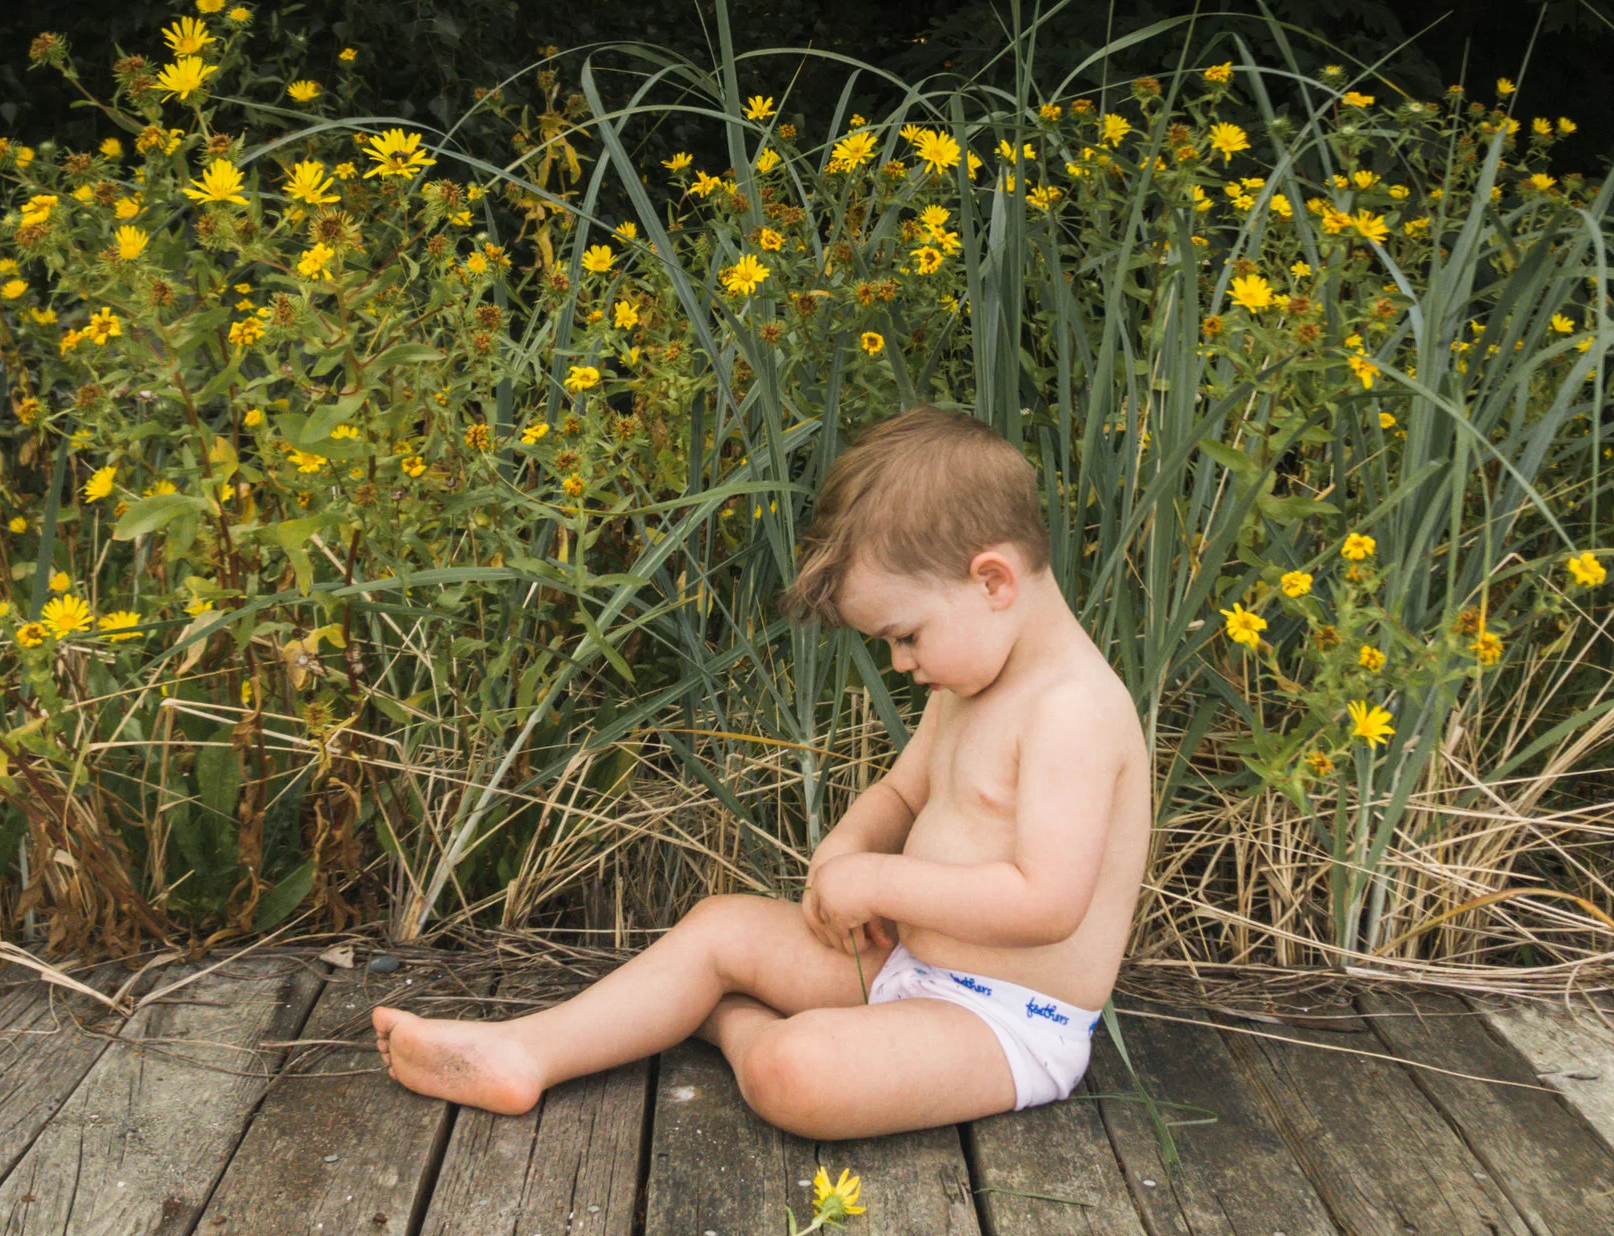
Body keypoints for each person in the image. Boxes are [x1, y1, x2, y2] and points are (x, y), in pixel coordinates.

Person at [372, 404, 1151, 1138]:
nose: (900, 661)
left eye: (906, 635)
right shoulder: (971, 678)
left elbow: (1047, 902)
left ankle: (732, 1022)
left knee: (795, 1071)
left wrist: (880, 883)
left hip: (1006, 1021)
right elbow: (903, 790)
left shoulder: (1073, 709)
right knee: (719, 926)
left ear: (992, 581)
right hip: (907, 966)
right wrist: (844, 851)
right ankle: (525, 1049)